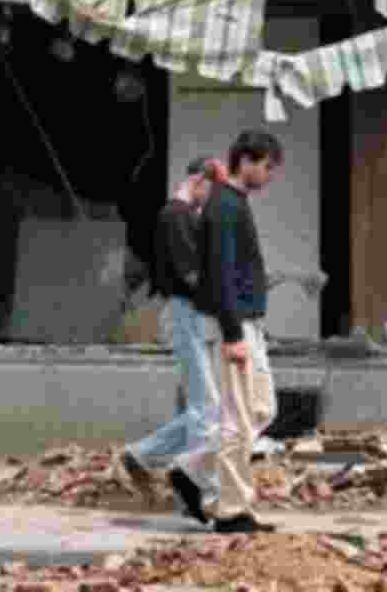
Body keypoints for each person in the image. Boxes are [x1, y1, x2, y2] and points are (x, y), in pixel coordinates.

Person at [171, 129, 284, 536]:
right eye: (267, 166)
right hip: (232, 325)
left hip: (245, 322)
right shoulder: (223, 207)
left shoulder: (232, 203)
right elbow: (218, 275)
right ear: (247, 161)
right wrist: (234, 333)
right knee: (238, 420)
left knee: (260, 409)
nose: (270, 175)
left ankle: (191, 469)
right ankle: (231, 511)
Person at [116, 156, 226, 518]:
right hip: (187, 313)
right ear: (198, 181)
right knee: (205, 408)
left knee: (208, 407)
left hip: (191, 313)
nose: (212, 200)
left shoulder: (181, 216)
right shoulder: (176, 216)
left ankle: (143, 454)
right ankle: (196, 495)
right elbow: (190, 275)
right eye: (213, 190)